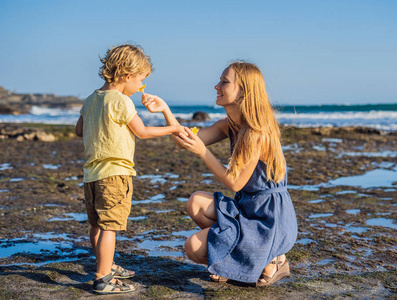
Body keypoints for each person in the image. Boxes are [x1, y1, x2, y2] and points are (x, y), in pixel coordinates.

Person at [147, 61, 297, 286]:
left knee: (193, 248)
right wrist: (165, 110)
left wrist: (203, 153)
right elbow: (184, 142)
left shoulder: (256, 132)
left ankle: (272, 259)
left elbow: (235, 184)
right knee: (195, 202)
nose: (216, 86)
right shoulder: (230, 124)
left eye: (224, 82)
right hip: (247, 208)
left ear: (243, 90)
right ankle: (234, 259)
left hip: (268, 219)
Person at [75, 44, 185, 294]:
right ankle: (103, 278)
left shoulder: (91, 99)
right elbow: (143, 131)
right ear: (127, 76)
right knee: (110, 227)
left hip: (91, 175)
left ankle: (107, 265)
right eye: (141, 80)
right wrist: (174, 129)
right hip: (115, 175)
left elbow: (79, 130)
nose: (140, 87)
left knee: (97, 226)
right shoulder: (122, 101)